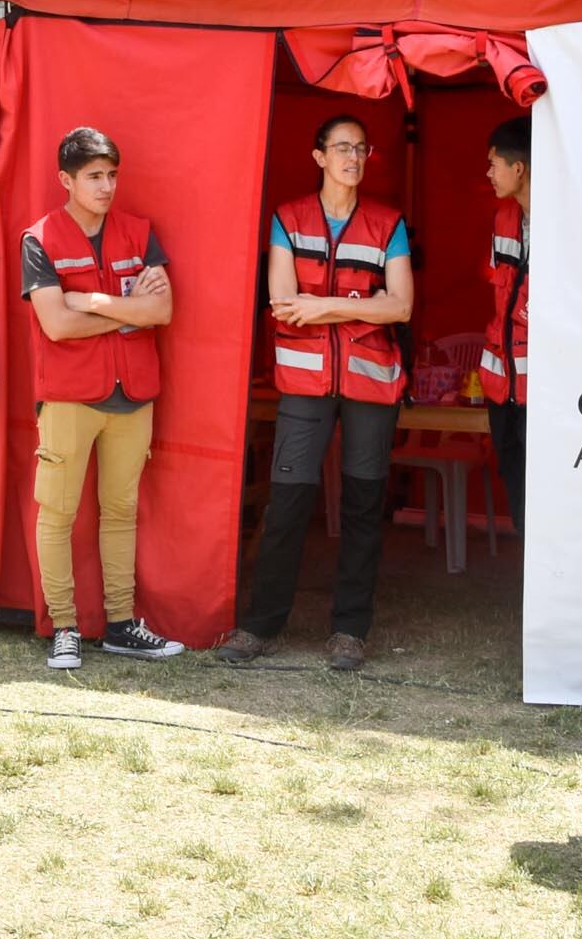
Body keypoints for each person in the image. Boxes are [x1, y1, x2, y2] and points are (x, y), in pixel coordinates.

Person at [217, 114, 414, 672]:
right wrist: (362, 304)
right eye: (342, 148)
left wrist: (325, 306)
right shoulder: (288, 217)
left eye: (361, 148)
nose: (354, 157)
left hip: (372, 383)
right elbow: (283, 301)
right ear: (319, 156)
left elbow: (400, 305)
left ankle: (350, 630)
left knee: (362, 503)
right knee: (289, 502)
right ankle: (260, 626)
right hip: (303, 382)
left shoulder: (388, 222)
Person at [21, 126, 185, 671]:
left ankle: (120, 626)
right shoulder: (39, 238)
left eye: (112, 175)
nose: (107, 186)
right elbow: (56, 326)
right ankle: (64, 626)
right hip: (69, 396)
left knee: (120, 512)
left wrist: (91, 299)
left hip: (133, 395)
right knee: (58, 513)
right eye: (94, 176)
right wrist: (125, 308)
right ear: (66, 180)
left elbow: (160, 312)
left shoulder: (140, 233)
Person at [479, 117, 532, 531]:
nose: (488, 173)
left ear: (519, 169)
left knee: (542, 491)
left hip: (542, 394)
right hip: (502, 391)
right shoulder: (502, 218)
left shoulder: (567, 220)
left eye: (493, 163)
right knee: (515, 485)